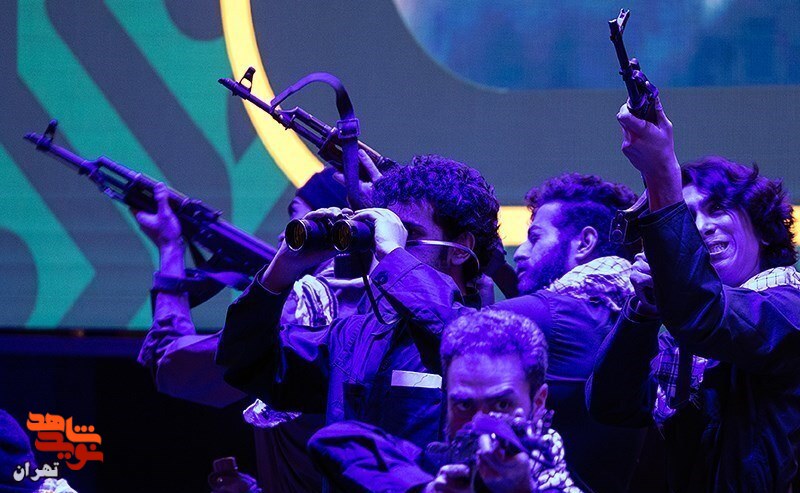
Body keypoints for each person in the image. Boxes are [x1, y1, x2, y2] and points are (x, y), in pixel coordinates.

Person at [366, 172, 647, 491]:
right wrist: (497, 268)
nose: (522, 252)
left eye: (536, 237)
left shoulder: (558, 314)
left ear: (585, 243)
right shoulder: (611, 309)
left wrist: (393, 253)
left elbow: (463, 334)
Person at [216, 154, 502, 449]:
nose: (387, 245)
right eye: (388, 233)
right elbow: (246, 363)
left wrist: (393, 253)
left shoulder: (490, 336)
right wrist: (282, 270)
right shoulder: (352, 337)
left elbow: (454, 337)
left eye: (409, 234)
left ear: (460, 249)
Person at [587, 98, 800, 491]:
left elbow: (707, 316)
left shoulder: (789, 305)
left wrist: (662, 173)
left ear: (763, 227)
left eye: (717, 209)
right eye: (688, 217)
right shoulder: (684, 339)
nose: (701, 227)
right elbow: (611, 404)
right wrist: (643, 310)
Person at [134, 167, 359, 492]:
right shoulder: (385, 302)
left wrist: (170, 248)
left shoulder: (299, 310)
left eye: (298, 219)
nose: (283, 236)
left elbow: (170, 365)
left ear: (330, 227)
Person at [308, 309, 581, 493]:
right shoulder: (438, 464)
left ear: (538, 402)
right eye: (464, 405)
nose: (479, 423)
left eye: (501, 405)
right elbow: (332, 440)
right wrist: (425, 488)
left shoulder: (556, 482)